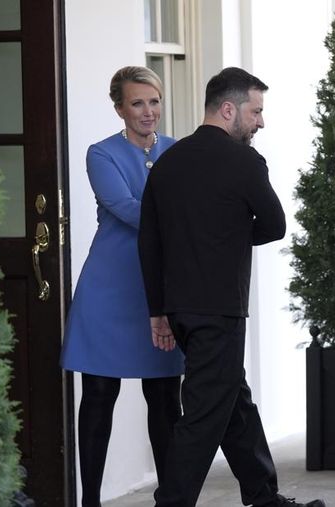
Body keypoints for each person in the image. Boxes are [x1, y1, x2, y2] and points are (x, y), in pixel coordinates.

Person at [138, 67, 324, 507]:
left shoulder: (167, 163)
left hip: (181, 309)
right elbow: (275, 225)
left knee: (231, 400)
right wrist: (231, 236)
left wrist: (157, 311)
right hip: (220, 308)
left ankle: (263, 495)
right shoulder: (244, 161)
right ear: (229, 109)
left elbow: (150, 242)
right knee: (204, 413)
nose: (261, 121)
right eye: (256, 111)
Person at [60, 66, 183, 507]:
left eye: (154, 101)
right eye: (137, 103)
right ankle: (89, 500)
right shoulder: (102, 154)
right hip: (111, 289)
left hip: (162, 288)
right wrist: (184, 220)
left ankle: (171, 497)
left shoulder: (178, 151)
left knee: (166, 394)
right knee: (98, 394)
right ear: (119, 108)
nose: (148, 111)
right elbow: (126, 208)